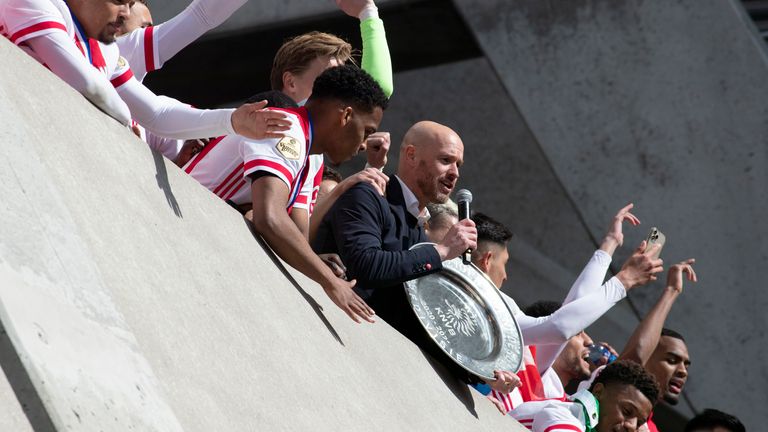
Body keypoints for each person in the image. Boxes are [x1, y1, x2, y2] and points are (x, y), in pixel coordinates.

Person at [312, 120, 521, 394]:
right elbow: (367, 266)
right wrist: (442, 251)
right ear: (411, 155)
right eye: (446, 160)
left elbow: (423, 322)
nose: (454, 173)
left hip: (371, 372)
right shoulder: (369, 196)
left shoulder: (418, 230)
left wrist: (483, 374)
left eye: (458, 164)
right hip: (328, 348)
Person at [185, 65, 388, 323]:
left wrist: (314, 260)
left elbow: (295, 235)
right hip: (182, 228)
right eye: (367, 131)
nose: (362, 145)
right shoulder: (285, 127)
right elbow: (270, 218)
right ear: (346, 116)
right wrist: (330, 283)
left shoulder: (308, 154)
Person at [468, 207, 663, 413]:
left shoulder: (523, 353)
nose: (506, 276)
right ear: (487, 260)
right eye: (505, 264)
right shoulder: (487, 309)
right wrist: (626, 279)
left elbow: (566, 318)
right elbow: (560, 327)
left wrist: (610, 243)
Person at [0, 0, 287, 140]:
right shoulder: (35, 1)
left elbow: (156, 113)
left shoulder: (107, 49)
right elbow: (86, 83)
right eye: (119, 1)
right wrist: (126, 120)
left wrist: (233, 122)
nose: (124, 14)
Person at [270, 0, 393, 239]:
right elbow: (267, 217)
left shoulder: (313, 155)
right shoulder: (272, 119)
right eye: (330, 76)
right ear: (291, 82)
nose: (338, 87)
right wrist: (368, 13)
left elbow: (299, 235)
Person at [576, 259, 696, 432]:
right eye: (671, 360)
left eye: (686, 365)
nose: (683, 371)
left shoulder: (649, 428)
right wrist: (671, 291)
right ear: (598, 391)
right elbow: (637, 355)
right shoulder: (605, 389)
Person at [511, 360, 660, 432]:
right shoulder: (563, 414)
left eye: (639, 423)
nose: (631, 426)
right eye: (627, 412)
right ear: (598, 392)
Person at [524, 300, 596, 400]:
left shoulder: (568, 406)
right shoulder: (525, 380)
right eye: (577, 332)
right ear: (551, 338)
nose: (589, 341)